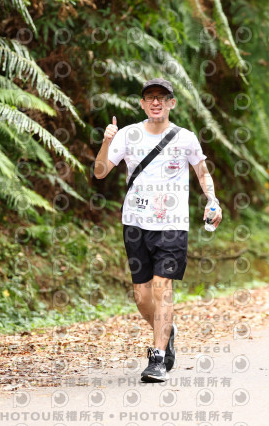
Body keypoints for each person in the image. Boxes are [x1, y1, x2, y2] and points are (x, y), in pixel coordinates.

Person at [94, 78, 222, 382]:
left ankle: (158, 358)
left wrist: (212, 200)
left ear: (171, 103)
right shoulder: (128, 134)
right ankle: (167, 329)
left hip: (172, 224)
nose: (156, 102)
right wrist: (106, 141)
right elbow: (100, 172)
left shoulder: (185, 138)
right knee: (142, 296)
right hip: (135, 223)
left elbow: (202, 172)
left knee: (162, 287)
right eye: (150, 97)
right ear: (142, 104)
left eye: (162, 98)